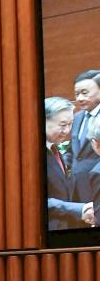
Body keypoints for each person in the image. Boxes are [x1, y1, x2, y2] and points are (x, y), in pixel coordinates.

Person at [46, 95, 93, 229]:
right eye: (62, 125)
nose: (67, 131)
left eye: (70, 124)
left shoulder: (54, 146)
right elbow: (33, 201)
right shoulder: (30, 154)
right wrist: (78, 209)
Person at [73, 70, 100, 163]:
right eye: (77, 94)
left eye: (85, 93)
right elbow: (73, 150)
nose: (79, 99)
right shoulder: (76, 117)